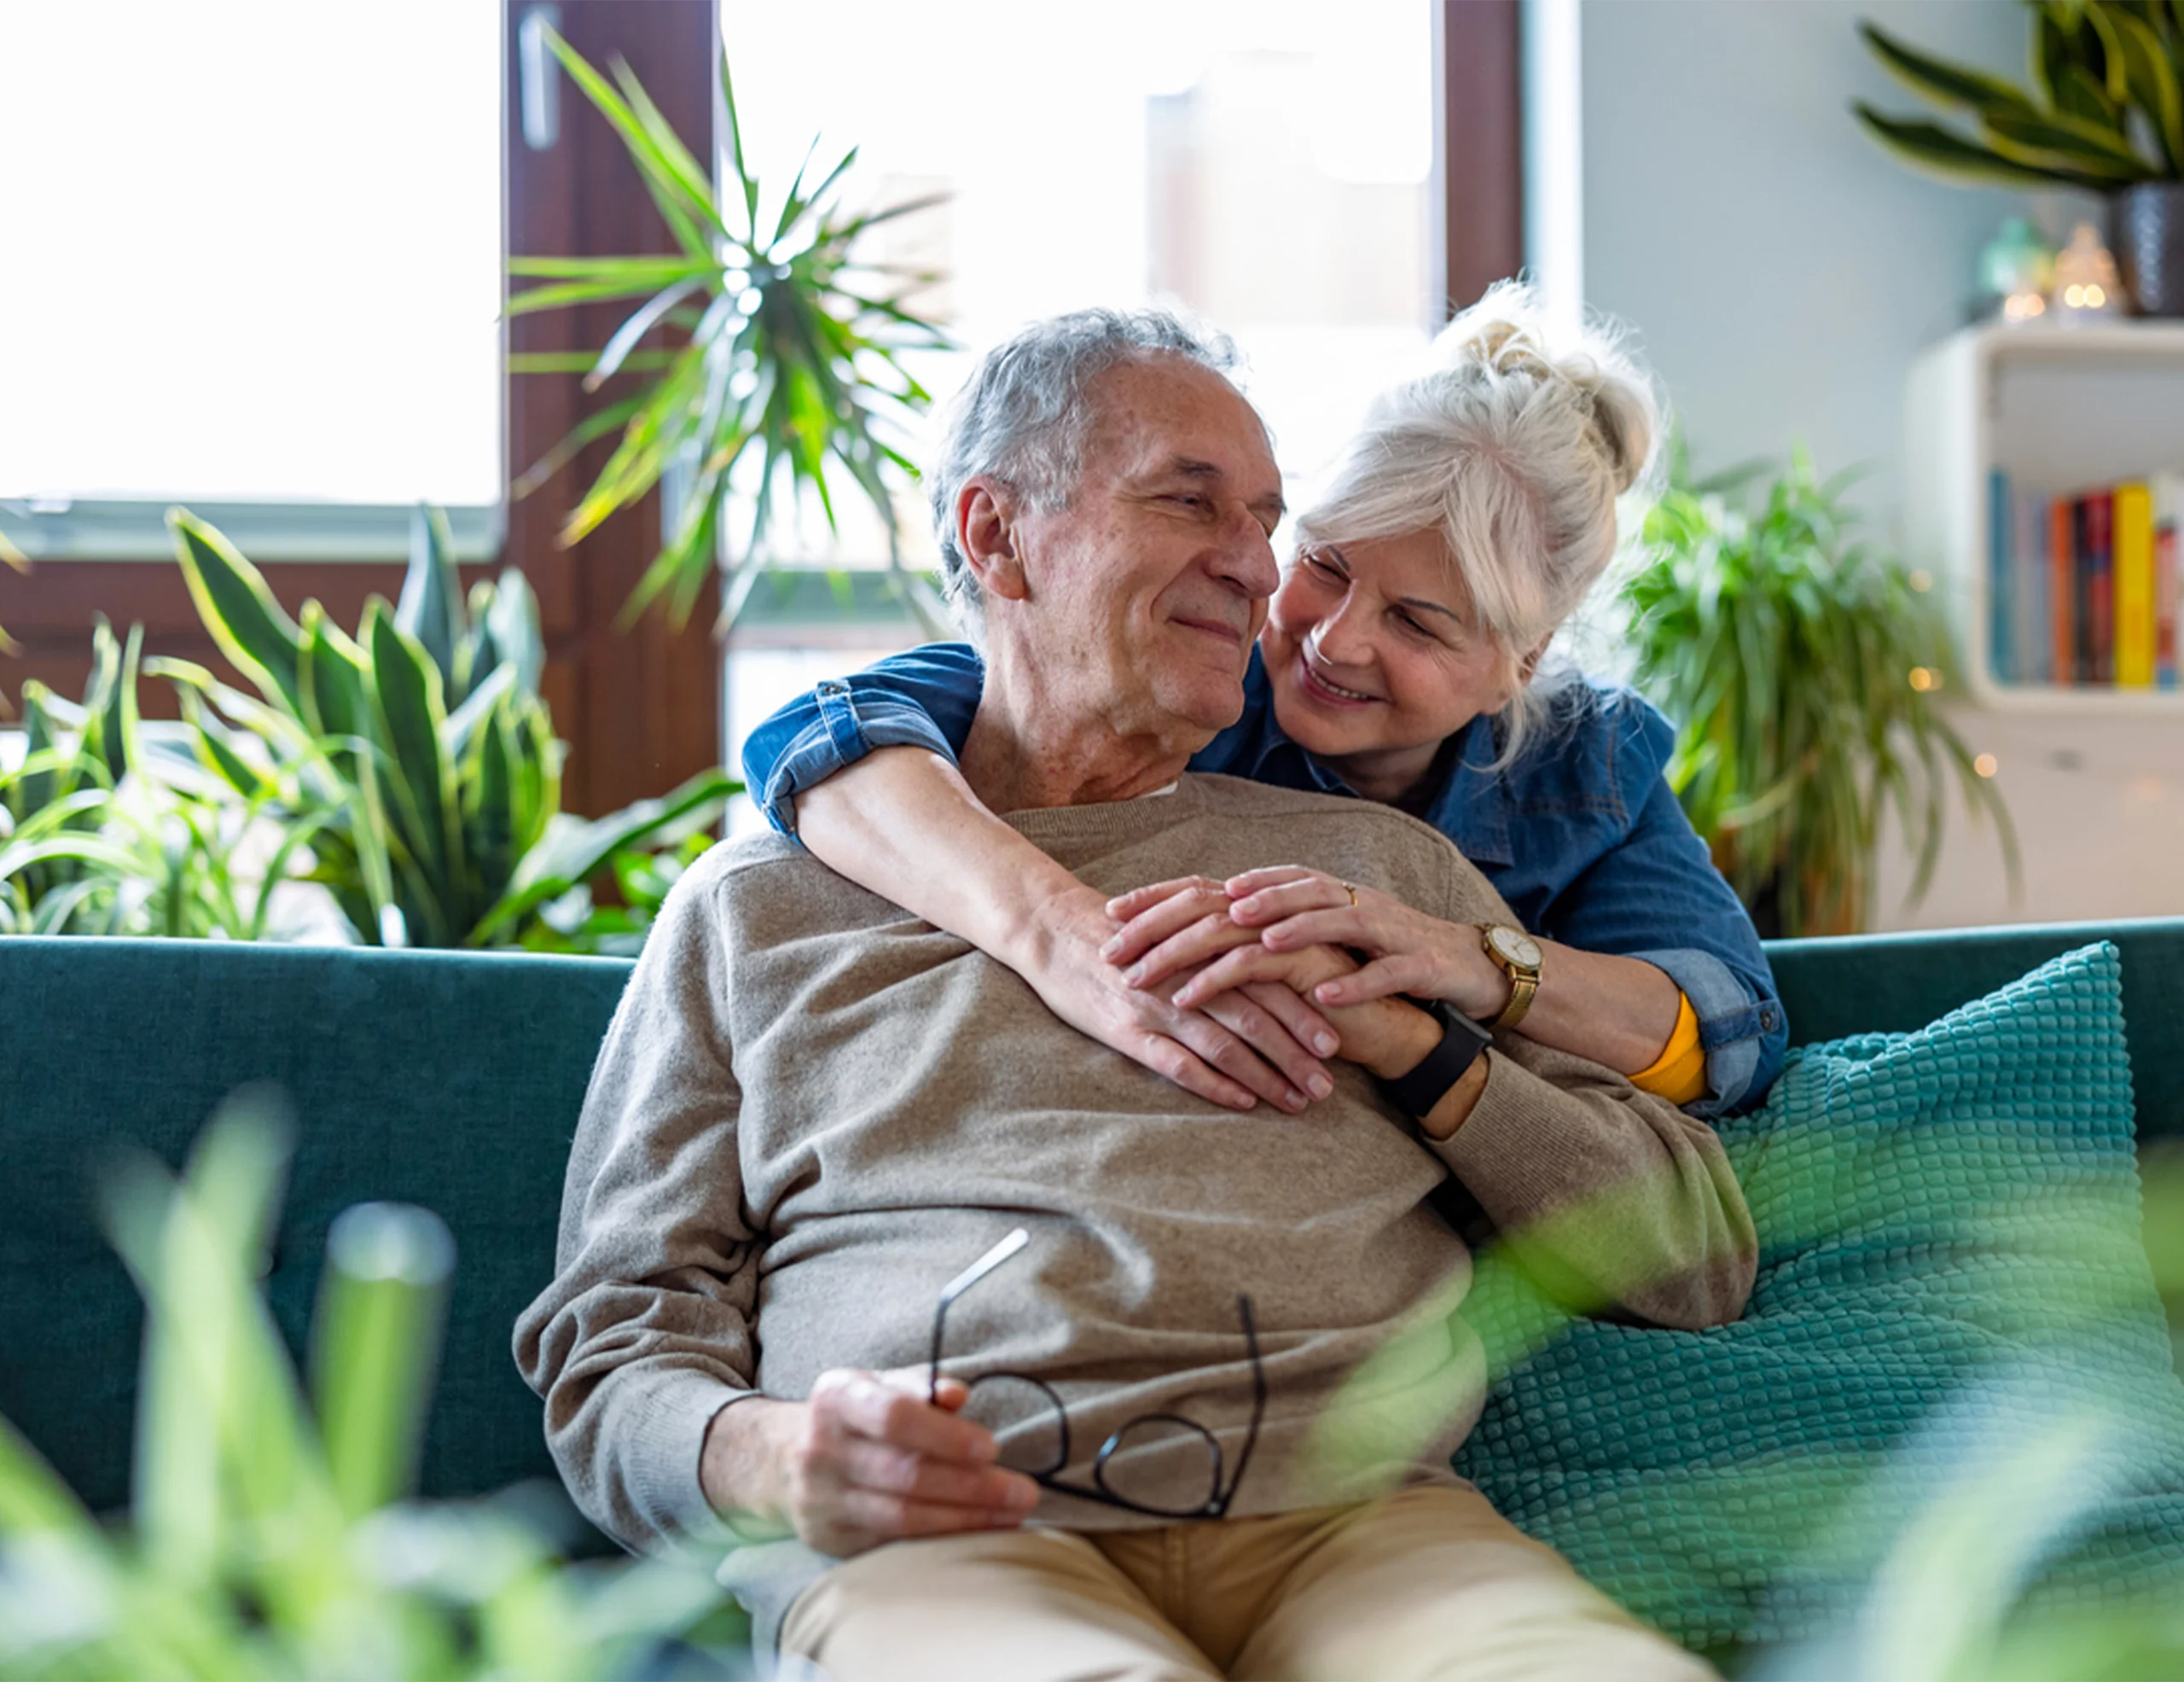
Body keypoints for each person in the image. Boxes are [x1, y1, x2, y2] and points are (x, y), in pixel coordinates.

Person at [516, 309, 1754, 1682]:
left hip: (1364, 1530)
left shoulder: (1382, 877)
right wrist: (778, 1455)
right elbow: (613, 1340)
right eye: (1191, 501)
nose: (1260, 568)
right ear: (996, 538)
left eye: (1267, 516)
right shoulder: (764, 902)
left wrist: (1424, 1043)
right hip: (954, 1540)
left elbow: (1696, 1245)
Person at [740, 282, 1786, 1130]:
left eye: (1418, 623)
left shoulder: (1586, 765)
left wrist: (1468, 958)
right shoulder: (1191, 679)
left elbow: (1728, 1030)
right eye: (1324, 567)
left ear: (1521, 660)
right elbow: (823, 740)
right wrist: (1060, 935)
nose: (1335, 639)